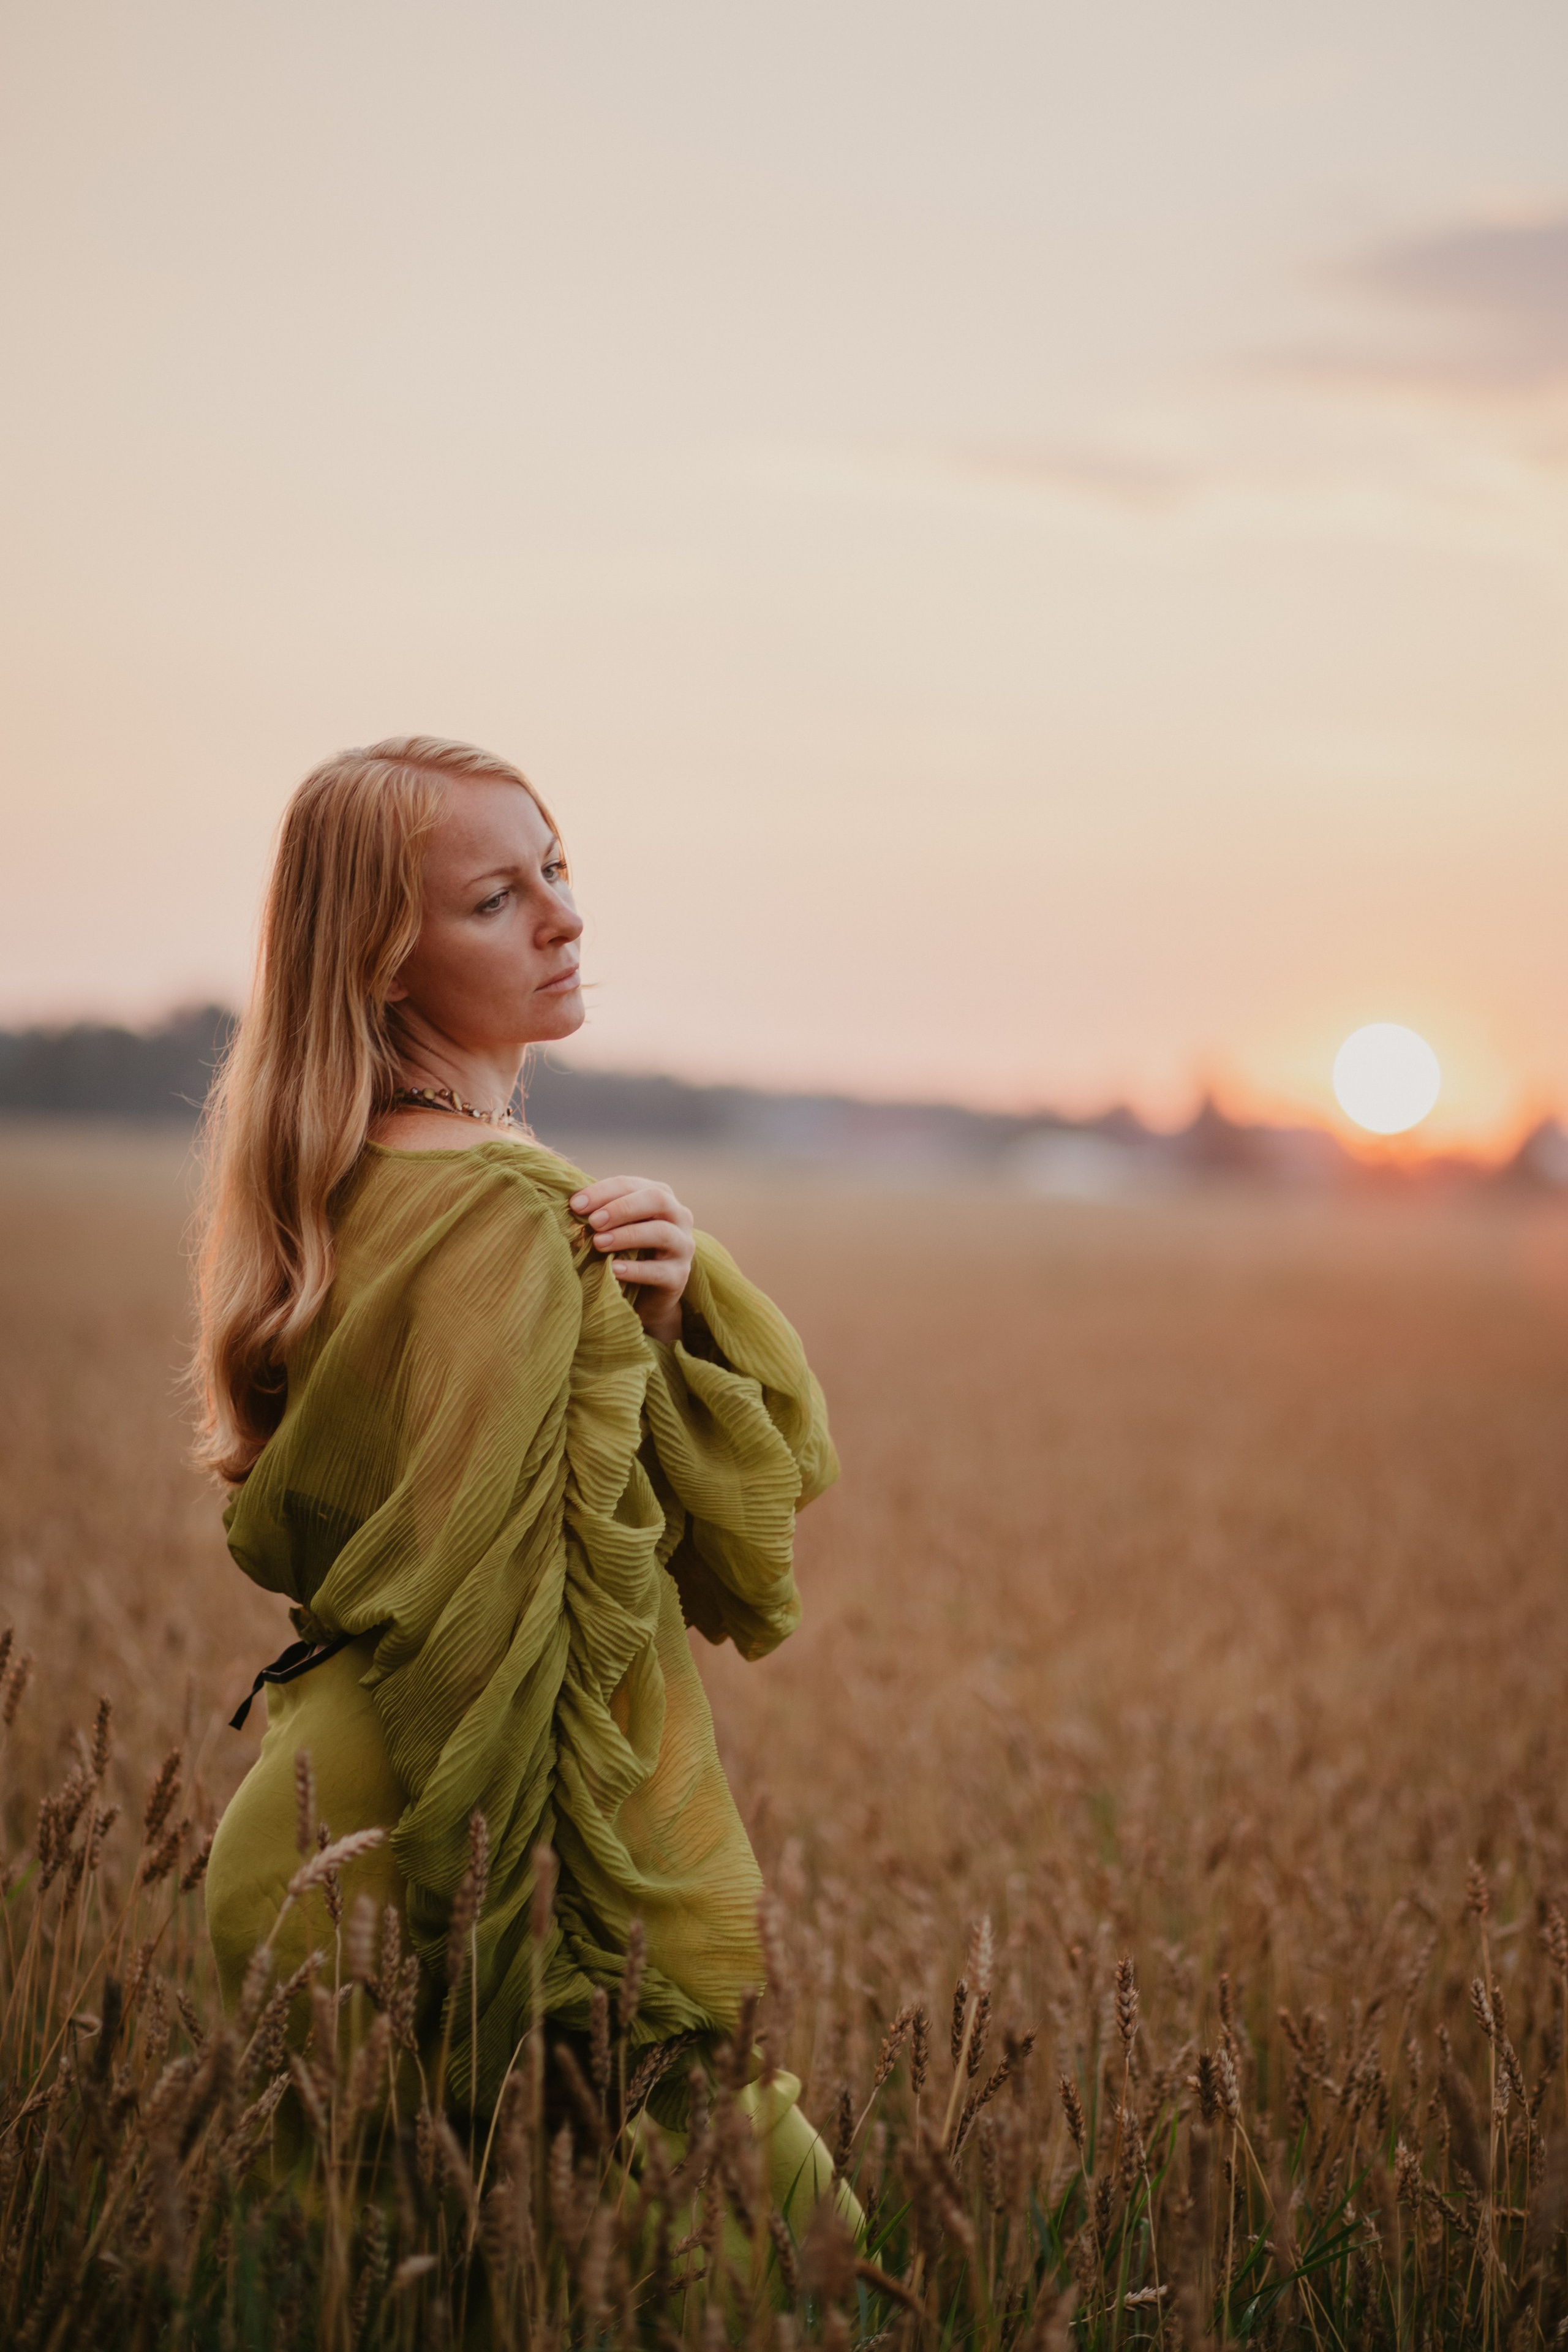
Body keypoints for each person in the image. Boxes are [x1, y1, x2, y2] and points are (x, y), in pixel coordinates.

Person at [195, 734, 848, 2241]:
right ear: (381, 960)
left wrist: (660, 1333)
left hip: (312, 1835)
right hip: (457, 1849)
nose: (563, 918)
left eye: (556, 869)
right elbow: (607, 1588)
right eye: (496, 898)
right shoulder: (509, 1210)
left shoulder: (350, 1181)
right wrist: (531, 1952)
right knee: (796, 2275)